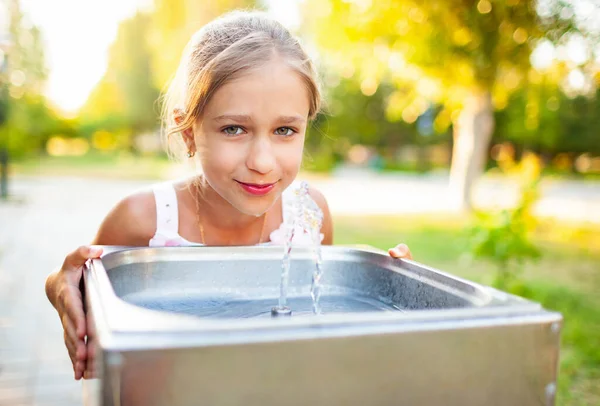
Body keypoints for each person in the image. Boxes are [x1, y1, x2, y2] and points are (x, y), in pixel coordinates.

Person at [44, 10, 413, 381]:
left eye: (285, 130)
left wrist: (390, 288)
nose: (262, 162)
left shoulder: (309, 213)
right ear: (188, 132)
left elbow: (322, 312)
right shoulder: (144, 219)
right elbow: (80, 288)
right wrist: (60, 286)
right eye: (234, 129)